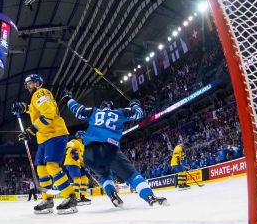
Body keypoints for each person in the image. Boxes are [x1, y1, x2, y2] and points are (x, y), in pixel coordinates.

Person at [62, 93, 167, 207]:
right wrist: (135, 104)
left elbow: (78, 110)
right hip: (108, 149)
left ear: (101, 107)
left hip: (88, 154)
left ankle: (113, 196)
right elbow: (139, 113)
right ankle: (150, 197)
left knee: (105, 175)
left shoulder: (94, 111)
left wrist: (69, 99)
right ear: (111, 107)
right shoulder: (119, 112)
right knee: (132, 175)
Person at [12, 74, 77, 215]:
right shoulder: (36, 97)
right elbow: (35, 109)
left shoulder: (40, 92)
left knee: (52, 167)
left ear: (37, 83)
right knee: (41, 169)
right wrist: (23, 107)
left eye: (29, 83)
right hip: (44, 138)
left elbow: (48, 113)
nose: (27, 86)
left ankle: (70, 197)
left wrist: (31, 131)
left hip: (55, 133)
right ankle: (48, 200)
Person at [63, 131, 91, 205]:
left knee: (85, 178)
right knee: (77, 179)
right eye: (84, 136)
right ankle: (76, 198)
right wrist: (72, 152)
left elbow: (81, 158)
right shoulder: (74, 141)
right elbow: (67, 146)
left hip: (79, 164)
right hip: (71, 162)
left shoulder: (83, 146)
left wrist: (84, 166)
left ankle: (82, 197)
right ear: (81, 136)